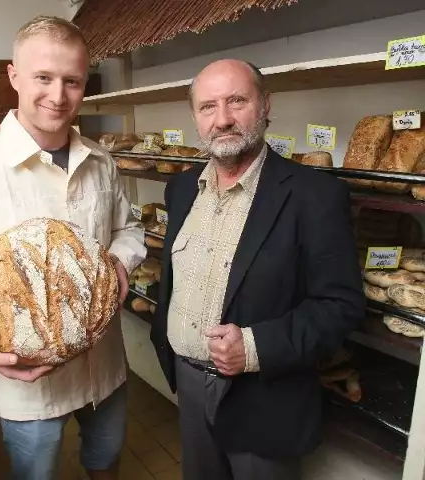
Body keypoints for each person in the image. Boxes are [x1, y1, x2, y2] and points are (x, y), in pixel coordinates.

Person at [0, 16, 146, 480]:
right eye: (43, 77)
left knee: (106, 460)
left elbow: (129, 227)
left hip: (103, 366)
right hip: (26, 380)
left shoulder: (100, 162)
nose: (58, 96)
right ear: (14, 76)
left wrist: (119, 265)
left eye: (72, 81)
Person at [150, 59, 365, 480]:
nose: (223, 119)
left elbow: (341, 305)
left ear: (266, 105)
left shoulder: (315, 195)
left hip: (265, 397)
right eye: (208, 107)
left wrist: (253, 347)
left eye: (237, 101)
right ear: (195, 117)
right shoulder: (180, 189)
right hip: (189, 384)